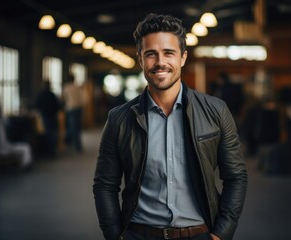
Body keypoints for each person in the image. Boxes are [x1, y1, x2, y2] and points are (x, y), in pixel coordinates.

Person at [93, 13, 247, 240]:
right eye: (151, 54)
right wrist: (114, 236)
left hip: (199, 234)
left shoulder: (216, 111)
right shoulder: (119, 119)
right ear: (140, 59)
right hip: (139, 234)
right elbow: (105, 185)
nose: (160, 62)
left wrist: (221, 233)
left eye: (169, 53)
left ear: (183, 57)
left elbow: (236, 176)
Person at [0, 103, 33, 170]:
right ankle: (25, 166)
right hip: (4, 148)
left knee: (23, 148)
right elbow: (8, 123)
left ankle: (21, 164)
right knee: (26, 147)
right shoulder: (0, 120)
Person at [35, 80, 61, 157]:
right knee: (53, 134)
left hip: (45, 117)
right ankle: (52, 151)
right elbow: (57, 106)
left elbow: (36, 105)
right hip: (53, 116)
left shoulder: (40, 95)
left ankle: (48, 152)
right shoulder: (52, 95)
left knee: (48, 134)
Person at [63, 74, 84, 152]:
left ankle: (72, 143)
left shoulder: (66, 87)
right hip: (78, 108)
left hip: (70, 109)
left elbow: (64, 98)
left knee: (72, 127)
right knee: (77, 127)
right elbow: (84, 98)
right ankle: (77, 145)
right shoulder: (77, 87)